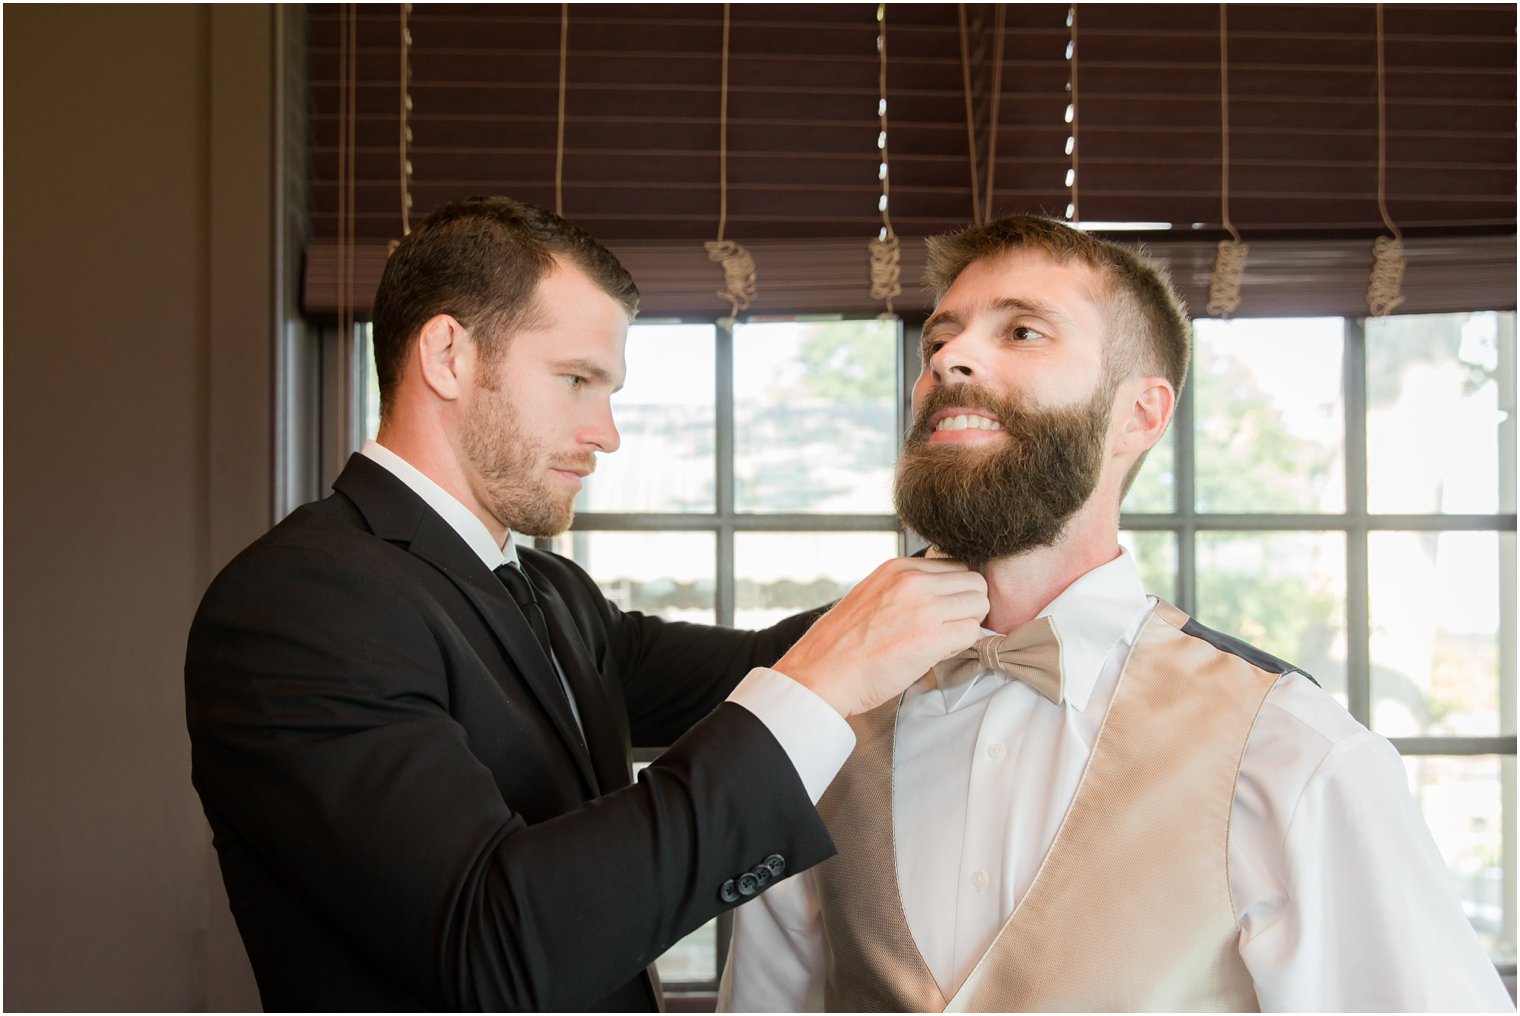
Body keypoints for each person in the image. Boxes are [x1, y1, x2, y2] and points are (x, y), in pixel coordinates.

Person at [185, 196, 989, 1012]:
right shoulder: (298, 605)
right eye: (576, 380)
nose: (606, 434)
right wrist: (823, 688)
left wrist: (991, 550)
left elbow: (761, 664)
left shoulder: (548, 589)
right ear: (447, 355)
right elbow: (493, 944)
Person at [719, 215, 1513, 1012]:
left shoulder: (1289, 751)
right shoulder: (823, 729)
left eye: (1024, 332)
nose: (949, 358)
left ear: (1141, 414)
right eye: (938, 342)